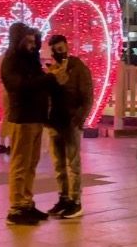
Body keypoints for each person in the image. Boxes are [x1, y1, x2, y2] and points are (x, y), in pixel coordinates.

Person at [0, 24, 56, 226]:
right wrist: (46, 81)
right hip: (22, 117)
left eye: (35, 42)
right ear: (20, 41)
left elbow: (38, 79)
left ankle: (26, 202)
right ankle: (16, 207)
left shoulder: (31, 61)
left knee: (31, 163)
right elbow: (17, 86)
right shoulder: (12, 61)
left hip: (35, 116)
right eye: (29, 41)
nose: (33, 45)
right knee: (21, 163)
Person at [44, 34, 93, 220]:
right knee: (58, 164)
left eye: (61, 48)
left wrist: (79, 119)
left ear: (67, 47)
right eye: (55, 49)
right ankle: (63, 198)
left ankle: (75, 201)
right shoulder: (52, 69)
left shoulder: (78, 68)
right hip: (54, 121)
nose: (59, 52)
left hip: (70, 121)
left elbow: (87, 95)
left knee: (73, 163)